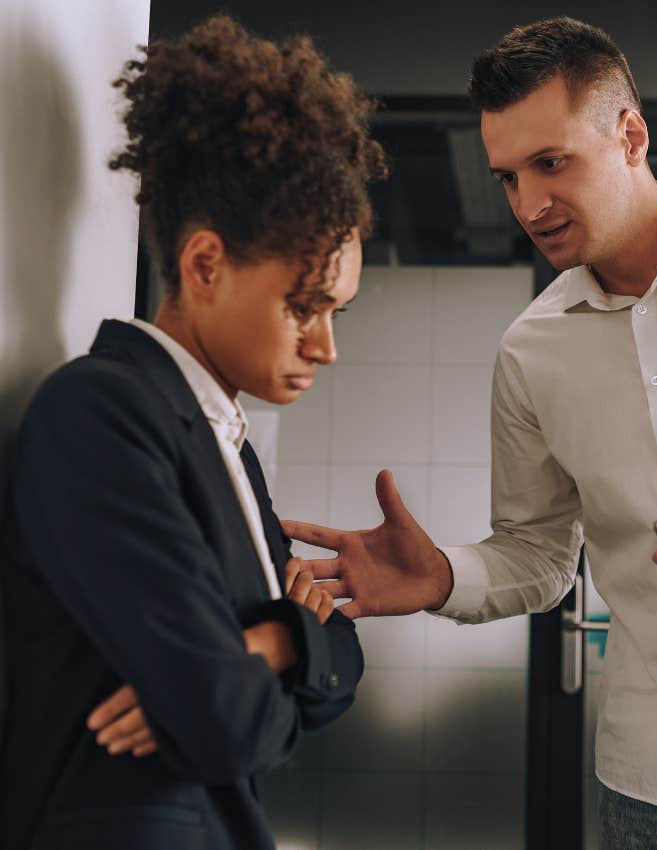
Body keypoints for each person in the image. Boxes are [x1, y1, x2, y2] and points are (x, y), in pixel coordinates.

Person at [283, 16, 657, 849]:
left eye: (552, 163)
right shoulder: (531, 349)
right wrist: (443, 575)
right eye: (508, 176)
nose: (529, 205)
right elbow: (541, 557)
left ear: (630, 135)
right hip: (651, 791)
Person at [0, 15, 386, 850]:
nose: (326, 345)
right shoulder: (99, 414)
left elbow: (342, 664)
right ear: (205, 265)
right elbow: (227, 723)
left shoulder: (225, 441)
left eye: (335, 312)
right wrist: (285, 639)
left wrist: (276, 639)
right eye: (304, 306)